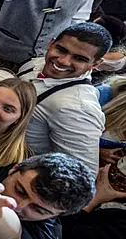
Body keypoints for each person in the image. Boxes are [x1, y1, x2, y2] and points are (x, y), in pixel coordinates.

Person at [18, 23, 112, 173]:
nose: (63, 61)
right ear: (51, 43)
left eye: (79, 58)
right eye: (61, 50)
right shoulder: (38, 63)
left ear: (95, 64)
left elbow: (81, 175)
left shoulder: (77, 108)